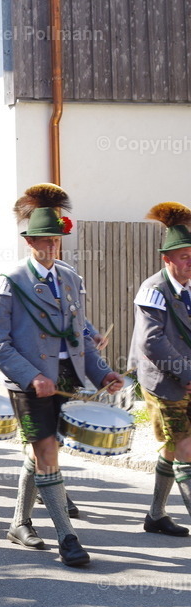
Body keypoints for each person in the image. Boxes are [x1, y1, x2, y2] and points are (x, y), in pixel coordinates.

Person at [0, 183, 123, 566]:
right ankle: (68, 538)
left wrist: (104, 373)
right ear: (28, 240)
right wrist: (31, 377)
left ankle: (18, 522)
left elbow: (78, 338)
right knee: (45, 451)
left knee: (45, 450)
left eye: (55, 239)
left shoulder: (70, 278)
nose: (50, 246)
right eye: (42, 240)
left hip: (67, 377)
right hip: (29, 381)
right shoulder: (8, 281)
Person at [129, 202, 191, 537]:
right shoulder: (152, 290)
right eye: (184, 256)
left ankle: (155, 515)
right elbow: (152, 343)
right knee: (184, 447)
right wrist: (187, 375)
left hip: (188, 378)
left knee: (172, 445)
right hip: (163, 382)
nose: (190, 261)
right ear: (166, 258)